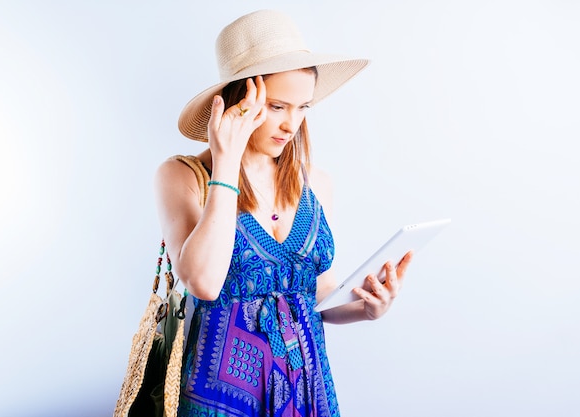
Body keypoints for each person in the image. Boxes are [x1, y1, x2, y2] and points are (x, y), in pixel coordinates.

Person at [154, 9, 413, 417]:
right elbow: (203, 282)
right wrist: (226, 161)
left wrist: (364, 307)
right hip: (223, 395)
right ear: (239, 101)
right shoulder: (183, 176)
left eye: (303, 107)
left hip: (307, 387)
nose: (291, 124)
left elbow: (318, 292)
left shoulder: (314, 185)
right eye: (276, 106)